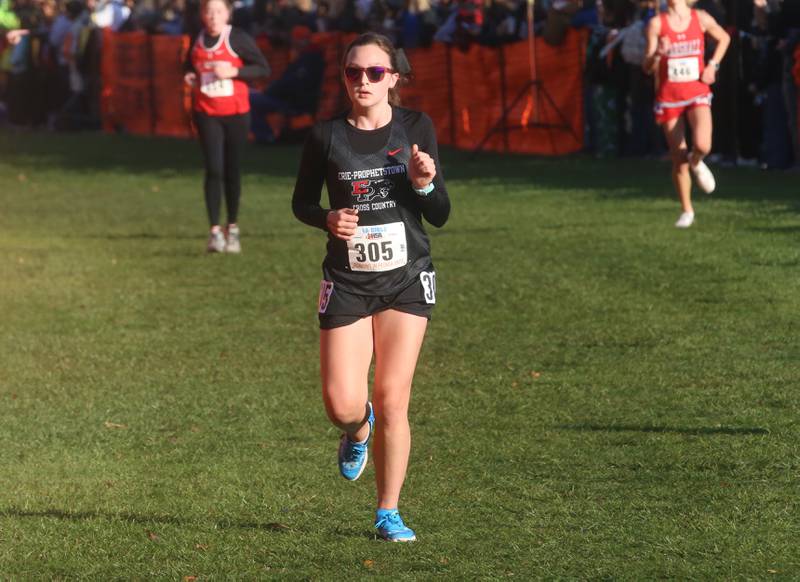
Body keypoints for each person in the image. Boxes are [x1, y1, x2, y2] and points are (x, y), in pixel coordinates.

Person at [291, 32, 450, 542]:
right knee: (341, 403)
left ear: (393, 79)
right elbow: (301, 203)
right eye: (353, 72)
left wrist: (424, 182)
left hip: (407, 277)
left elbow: (440, 213)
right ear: (343, 78)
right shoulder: (325, 136)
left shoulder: (415, 127)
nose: (363, 81)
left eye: (374, 72)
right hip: (347, 280)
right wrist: (327, 219)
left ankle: (388, 512)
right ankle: (359, 431)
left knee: (392, 394)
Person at [184, 0, 270, 253]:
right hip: (206, 112)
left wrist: (232, 71)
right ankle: (214, 232)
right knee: (213, 169)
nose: (212, 16)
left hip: (235, 114)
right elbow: (189, 64)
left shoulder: (237, 38)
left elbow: (263, 68)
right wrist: (188, 73)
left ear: (227, 15)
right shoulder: (196, 38)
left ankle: (232, 227)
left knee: (232, 170)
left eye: (218, 11)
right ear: (202, 14)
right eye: (208, 11)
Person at [643, 0, 729, 228]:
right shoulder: (656, 23)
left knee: (703, 145)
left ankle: (697, 160)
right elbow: (647, 66)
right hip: (669, 97)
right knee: (678, 156)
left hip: (697, 91)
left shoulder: (700, 17)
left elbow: (724, 38)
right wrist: (657, 54)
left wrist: (713, 66)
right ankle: (687, 209)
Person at [249, 25, 325, 144]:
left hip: (295, 102)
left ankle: (265, 136)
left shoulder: (310, 58)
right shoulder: (304, 56)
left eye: (295, 39)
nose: (293, 42)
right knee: (252, 96)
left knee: (249, 99)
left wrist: (268, 91)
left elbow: (292, 84)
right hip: (290, 99)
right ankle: (266, 135)